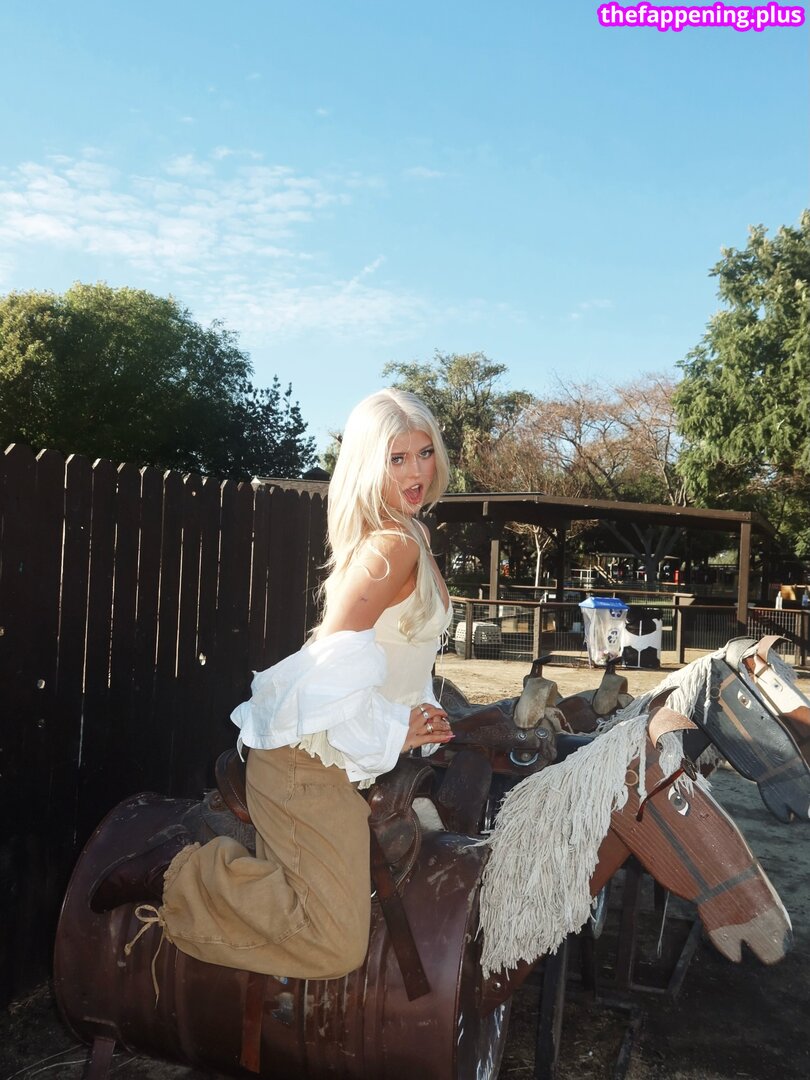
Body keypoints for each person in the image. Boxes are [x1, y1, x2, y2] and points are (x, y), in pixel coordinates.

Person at [90, 388, 455, 980]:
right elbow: (321, 671)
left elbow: (395, 654)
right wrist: (394, 726)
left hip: (345, 751)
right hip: (306, 761)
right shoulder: (391, 549)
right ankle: (182, 872)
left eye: (424, 453)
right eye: (397, 459)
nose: (416, 473)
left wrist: (415, 713)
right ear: (368, 465)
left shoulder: (410, 533)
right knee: (336, 946)